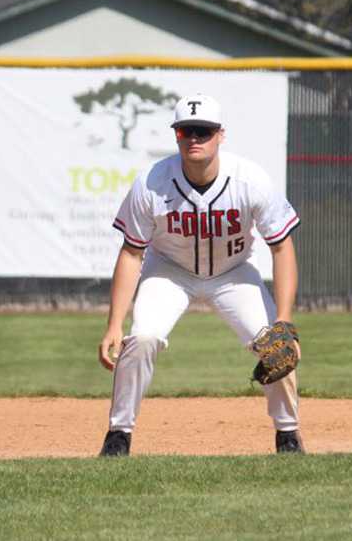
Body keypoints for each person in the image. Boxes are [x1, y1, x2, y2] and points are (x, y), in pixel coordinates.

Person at [97, 93, 303, 456]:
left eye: (203, 131)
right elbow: (132, 252)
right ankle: (119, 435)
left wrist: (284, 321)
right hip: (169, 272)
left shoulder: (250, 180)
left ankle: (288, 434)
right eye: (186, 131)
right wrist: (115, 324)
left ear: (220, 135)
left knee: (275, 344)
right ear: (175, 135)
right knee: (141, 338)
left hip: (234, 272)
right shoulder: (152, 183)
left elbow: (282, 248)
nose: (194, 138)